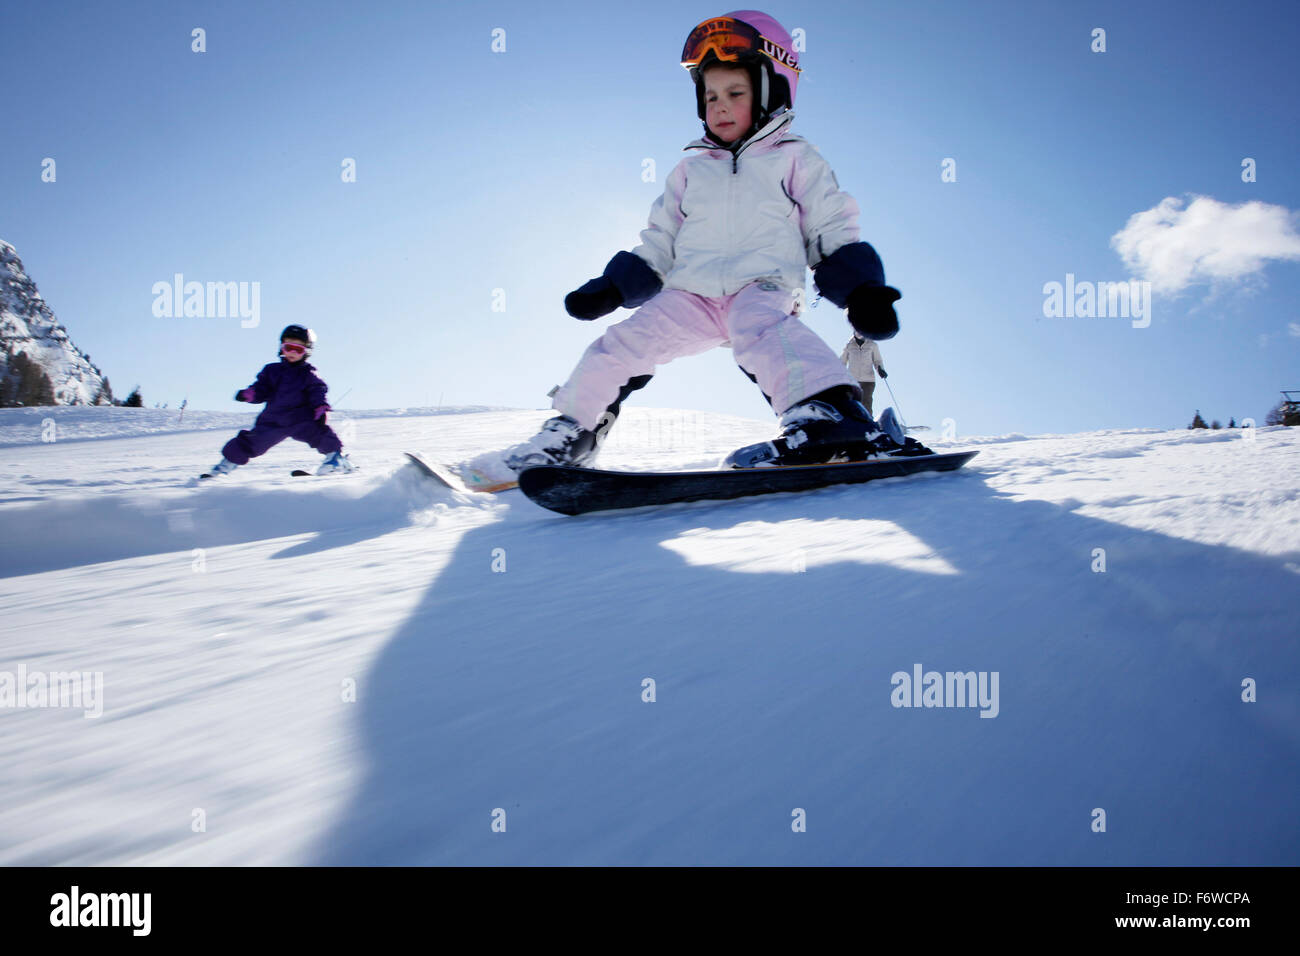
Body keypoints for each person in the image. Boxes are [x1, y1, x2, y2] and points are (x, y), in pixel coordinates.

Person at [484, 10, 929, 479]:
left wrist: (861, 290)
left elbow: (830, 225)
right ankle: (571, 432)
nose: (719, 105)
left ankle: (832, 418)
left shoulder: (795, 158)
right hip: (690, 293)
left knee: (760, 331)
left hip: (762, 285)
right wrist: (614, 287)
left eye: (735, 93)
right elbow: (660, 240)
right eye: (710, 94)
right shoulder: (690, 170)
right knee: (621, 344)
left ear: (772, 89)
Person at [203, 325, 354, 477]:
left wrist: (320, 407)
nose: (292, 353)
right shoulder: (271, 371)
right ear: (281, 348)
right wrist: (250, 394)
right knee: (252, 442)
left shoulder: (309, 374)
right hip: (273, 420)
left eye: (298, 349)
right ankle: (224, 467)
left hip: (301, 419)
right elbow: (262, 389)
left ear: (307, 351)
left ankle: (336, 459)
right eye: (288, 347)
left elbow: (317, 391)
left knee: (320, 434)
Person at [840, 332, 887, 416]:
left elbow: (877, 361)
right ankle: (852, 424)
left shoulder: (872, 345)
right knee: (853, 403)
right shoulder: (849, 345)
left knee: (866, 402)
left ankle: (868, 423)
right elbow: (842, 361)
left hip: (868, 380)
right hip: (852, 380)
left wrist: (880, 370)